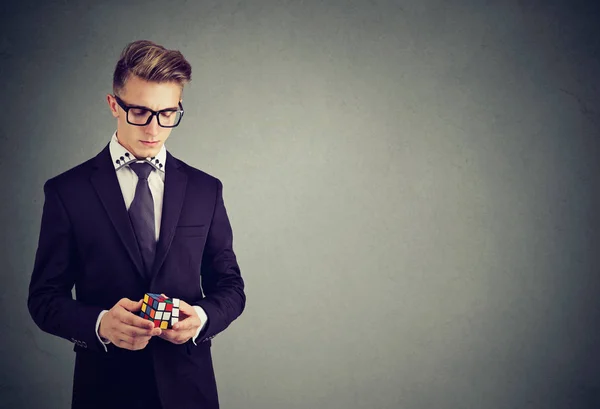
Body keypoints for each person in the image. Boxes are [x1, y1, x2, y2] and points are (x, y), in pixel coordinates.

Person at [27, 40, 245, 409]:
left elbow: (231, 286)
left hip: (189, 389)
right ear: (114, 105)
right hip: (106, 389)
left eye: (167, 113)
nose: (154, 128)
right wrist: (100, 324)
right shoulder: (68, 191)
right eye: (140, 112)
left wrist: (202, 318)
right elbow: (44, 299)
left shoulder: (206, 189)